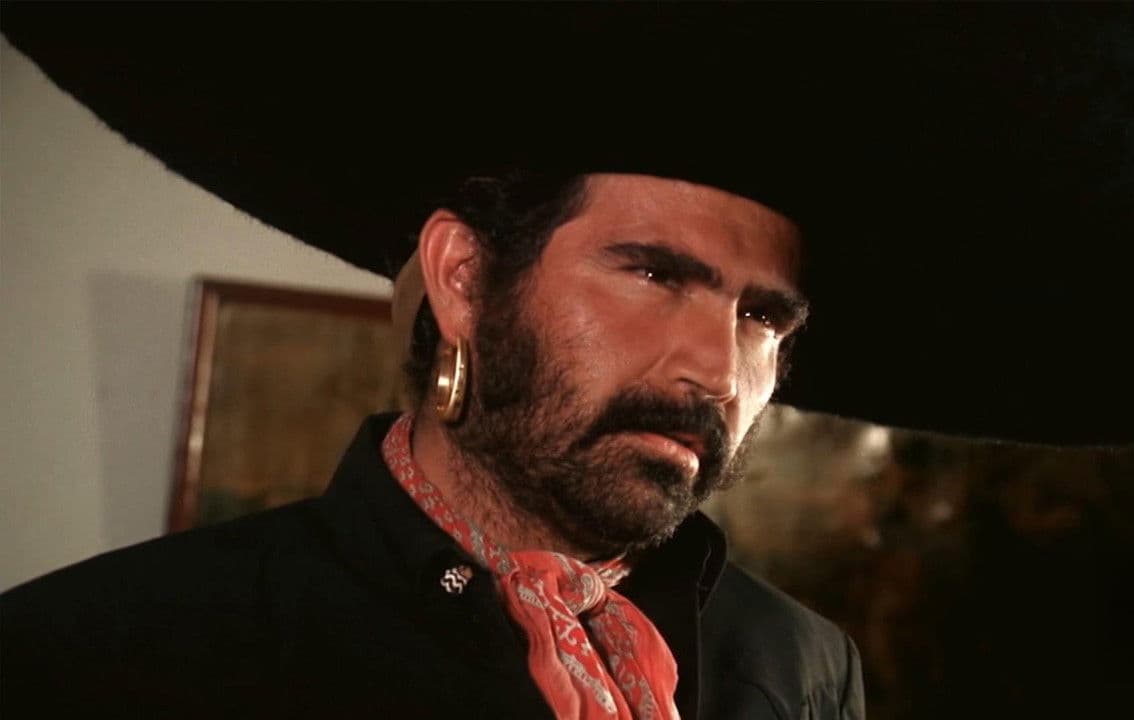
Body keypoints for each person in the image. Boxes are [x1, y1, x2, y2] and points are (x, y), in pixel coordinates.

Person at [1, 170, 863, 719]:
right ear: (464, 280)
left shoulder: (803, 663)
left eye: (762, 318)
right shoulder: (102, 650)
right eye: (654, 274)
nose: (717, 371)